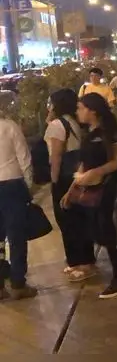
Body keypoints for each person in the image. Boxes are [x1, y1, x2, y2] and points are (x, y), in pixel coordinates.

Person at [72, 93, 117, 299]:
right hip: (91, 188)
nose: (78, 111)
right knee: (97, 230)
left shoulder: (110, 132)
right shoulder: (88, 133)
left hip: (110, 186)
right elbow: (83, 162)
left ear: (93, 110)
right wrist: (74, 187)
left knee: (108, 228)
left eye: (81, 107)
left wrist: (97, 172)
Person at [45, 88, 95, 283]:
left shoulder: (57, 124)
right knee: (79, 219)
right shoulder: (73, 121)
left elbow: (56, 156)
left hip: (63, 178)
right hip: (76, 175)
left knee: (67, 220)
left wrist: (54, 180)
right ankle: (82, 261)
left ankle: (79, 263)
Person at [0, 109, 36, 300]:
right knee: (16, 237)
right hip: (11, 185)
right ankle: (18, 283)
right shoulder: (10, 127)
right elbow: (25, 159)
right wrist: (28, 186)